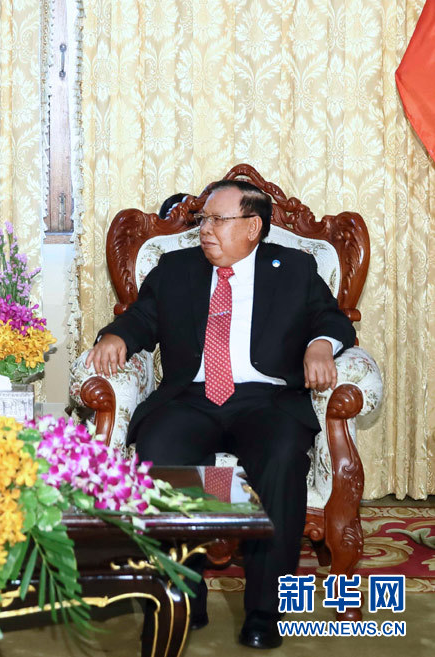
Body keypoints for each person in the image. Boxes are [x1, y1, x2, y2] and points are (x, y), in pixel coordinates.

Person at [85, 179, 355, 649]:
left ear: (252, 227)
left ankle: (264, 611)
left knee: (281, 457)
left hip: (266, 400)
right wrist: (116, 336)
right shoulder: (176, 268)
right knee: (161, 450)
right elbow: (141, 317)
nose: (204, 229)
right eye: (202, 219)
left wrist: (319, 345)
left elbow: (331, 319)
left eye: (216, 220)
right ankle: (182, 596)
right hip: (191, 398)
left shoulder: (293, 268)